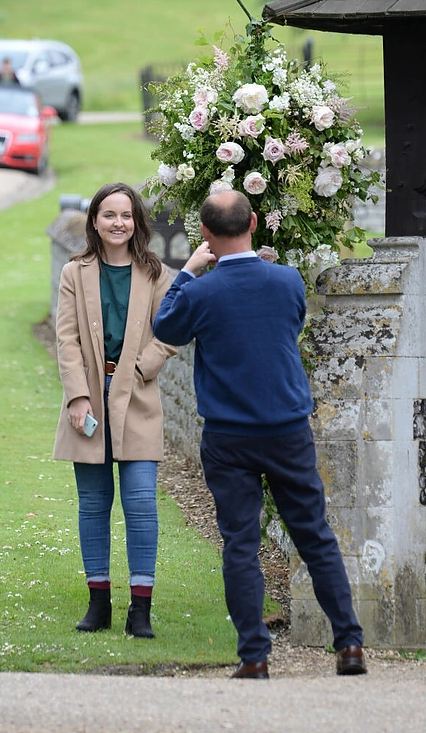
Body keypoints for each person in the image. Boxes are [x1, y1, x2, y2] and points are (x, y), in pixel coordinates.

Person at [153, 189, 366, 678]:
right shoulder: (287, 280)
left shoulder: (201, 291)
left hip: (229, 436)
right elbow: (289, 323)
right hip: (288, 427)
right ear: (254, 224)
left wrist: (186, 272)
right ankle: (350, 644)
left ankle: (255, 655)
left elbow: (166, 326)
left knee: (241, 544)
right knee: (314, 535)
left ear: (205, 234)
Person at [53, 182, 176, 638]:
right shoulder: (75, 272)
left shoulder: (156, 274)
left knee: (142, 502)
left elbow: (171, 330)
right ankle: (98, 603)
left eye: (126, 215)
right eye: (109, 215)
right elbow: (67, 340)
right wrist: (78, 396)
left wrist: (142, 368)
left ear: (136, 221)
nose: (118, 223)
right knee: (93, 503)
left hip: (138, 396)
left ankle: (139, 610)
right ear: (95, 222)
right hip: (89, 395)